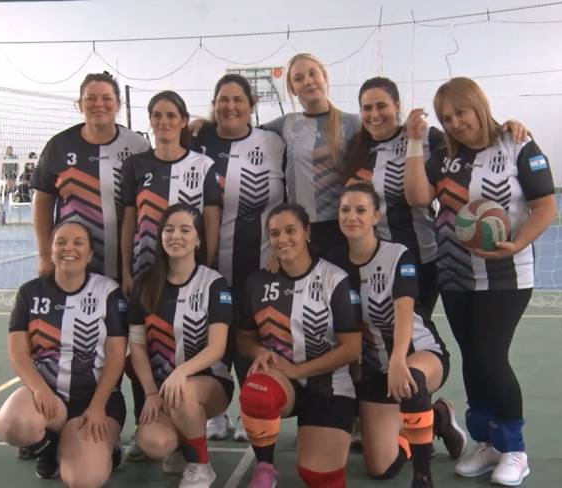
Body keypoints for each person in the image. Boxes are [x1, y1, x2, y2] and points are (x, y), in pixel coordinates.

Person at [404, 77, 556, 486]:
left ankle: (515, 448)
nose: (454, 123)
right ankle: (486, 441)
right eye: (446, 117)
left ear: (478, 105)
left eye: (460, 112)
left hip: (506, 275)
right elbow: (419, 196)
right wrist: (416, 142)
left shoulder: (517, 145)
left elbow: (544, 207)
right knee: (472, 358)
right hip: (456, 274)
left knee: (491, 357)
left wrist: (517, 243)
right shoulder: (444, 156)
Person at [344, 77, 530, 321]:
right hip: (368, 260)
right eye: (367, 108)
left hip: (421, 258)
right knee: (374, 329)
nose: (374, 114)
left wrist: (504, 129)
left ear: (397, 106)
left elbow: (470, 141)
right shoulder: (354, 148)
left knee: (416, 330)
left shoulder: (428, 138)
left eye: (382, 106)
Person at [327, 183, 465, 488]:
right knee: (380, 467)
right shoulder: (332, 262)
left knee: (411, 382)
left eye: (361, 210)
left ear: (376, 216)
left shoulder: (397, 254)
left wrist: (400, 360)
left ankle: (422, 476)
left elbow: (404, 311)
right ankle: (438, 417)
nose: (352, 216)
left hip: (418, 352)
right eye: (345, 210)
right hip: (374, 368)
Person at [119, 90, 219, 460]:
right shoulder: (136, 166)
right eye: (157, 115)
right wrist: (127, 270)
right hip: (146, 271)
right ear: (151, 121)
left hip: (189, 270)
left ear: (182, 120)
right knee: (143, 347)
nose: (163, 122)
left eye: (171, 115)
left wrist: (207, 266)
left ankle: (186, 425)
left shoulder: (203, 165)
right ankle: (145, 423)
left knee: (185, 341)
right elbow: (130, 219)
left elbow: (211, 220)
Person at [237, 203, 362, 488]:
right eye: (275, 233)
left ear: (306, 231)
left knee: (319, 478)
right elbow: (243, 339)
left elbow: (351, 348)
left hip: (329, 384)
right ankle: (265, 467)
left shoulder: (334, 279)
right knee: (257, 392)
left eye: (290, 230)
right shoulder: (258, 282)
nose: (283, 239)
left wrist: (298, 370)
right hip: (282, 381)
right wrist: (260, 351)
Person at [0, 221, 128, 487]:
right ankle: (49, 447)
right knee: (13, 424)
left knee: (83, 480)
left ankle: (104, 450)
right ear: (51, 250)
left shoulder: (108, 292)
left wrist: (98, 405)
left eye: (78, 242)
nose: (69, 248)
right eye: (61, 242)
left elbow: (116, 357)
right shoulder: (30, 293)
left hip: (94, 400)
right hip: (50, 394)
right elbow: (18, 352)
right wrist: (39, 389)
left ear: (90, 254)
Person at [192, 73, 286, 441]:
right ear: (213, 105)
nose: (230, 106)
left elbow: (289, 201)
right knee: (210, 337)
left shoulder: (273, 143)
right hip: (209, 264)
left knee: (254, 336)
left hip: (262, 263)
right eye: (222, 100)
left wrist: (282, 249)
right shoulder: (198, 140)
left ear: (251, 105)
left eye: (238, 99)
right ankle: (215, 412)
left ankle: (253, 407)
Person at [128, 203, 233, 487]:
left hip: (209, 386)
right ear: (161, 237)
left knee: (184, 390)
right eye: (169, 230)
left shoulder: (213, 283)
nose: (176, 236)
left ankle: (200, 466)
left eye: (185, 230)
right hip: (163, 389)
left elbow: (217, 348)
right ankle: (180, 448)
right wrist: (150, 392)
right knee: (153, 442)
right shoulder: (145, 285)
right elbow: (137, 348)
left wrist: (181, 372)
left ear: (198, 239)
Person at [31, 71, 150, 280]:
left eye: (106, 98)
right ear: (79, 104)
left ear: (118, 105)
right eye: (90, 98)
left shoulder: (138, 146)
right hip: (74, 263)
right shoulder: (58, 146)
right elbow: (42, 200)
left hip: (128, 264)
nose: (99, 104)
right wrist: (44, 255)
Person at [262, 53, 360, 256]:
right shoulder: (286, 124)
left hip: (342, 228)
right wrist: (206, 124)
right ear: (292, 89)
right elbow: (243, 131)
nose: (307, 81)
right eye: (298, 79)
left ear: (324, 76)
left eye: (312, 74)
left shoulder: (352, 123)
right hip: (301, 230)